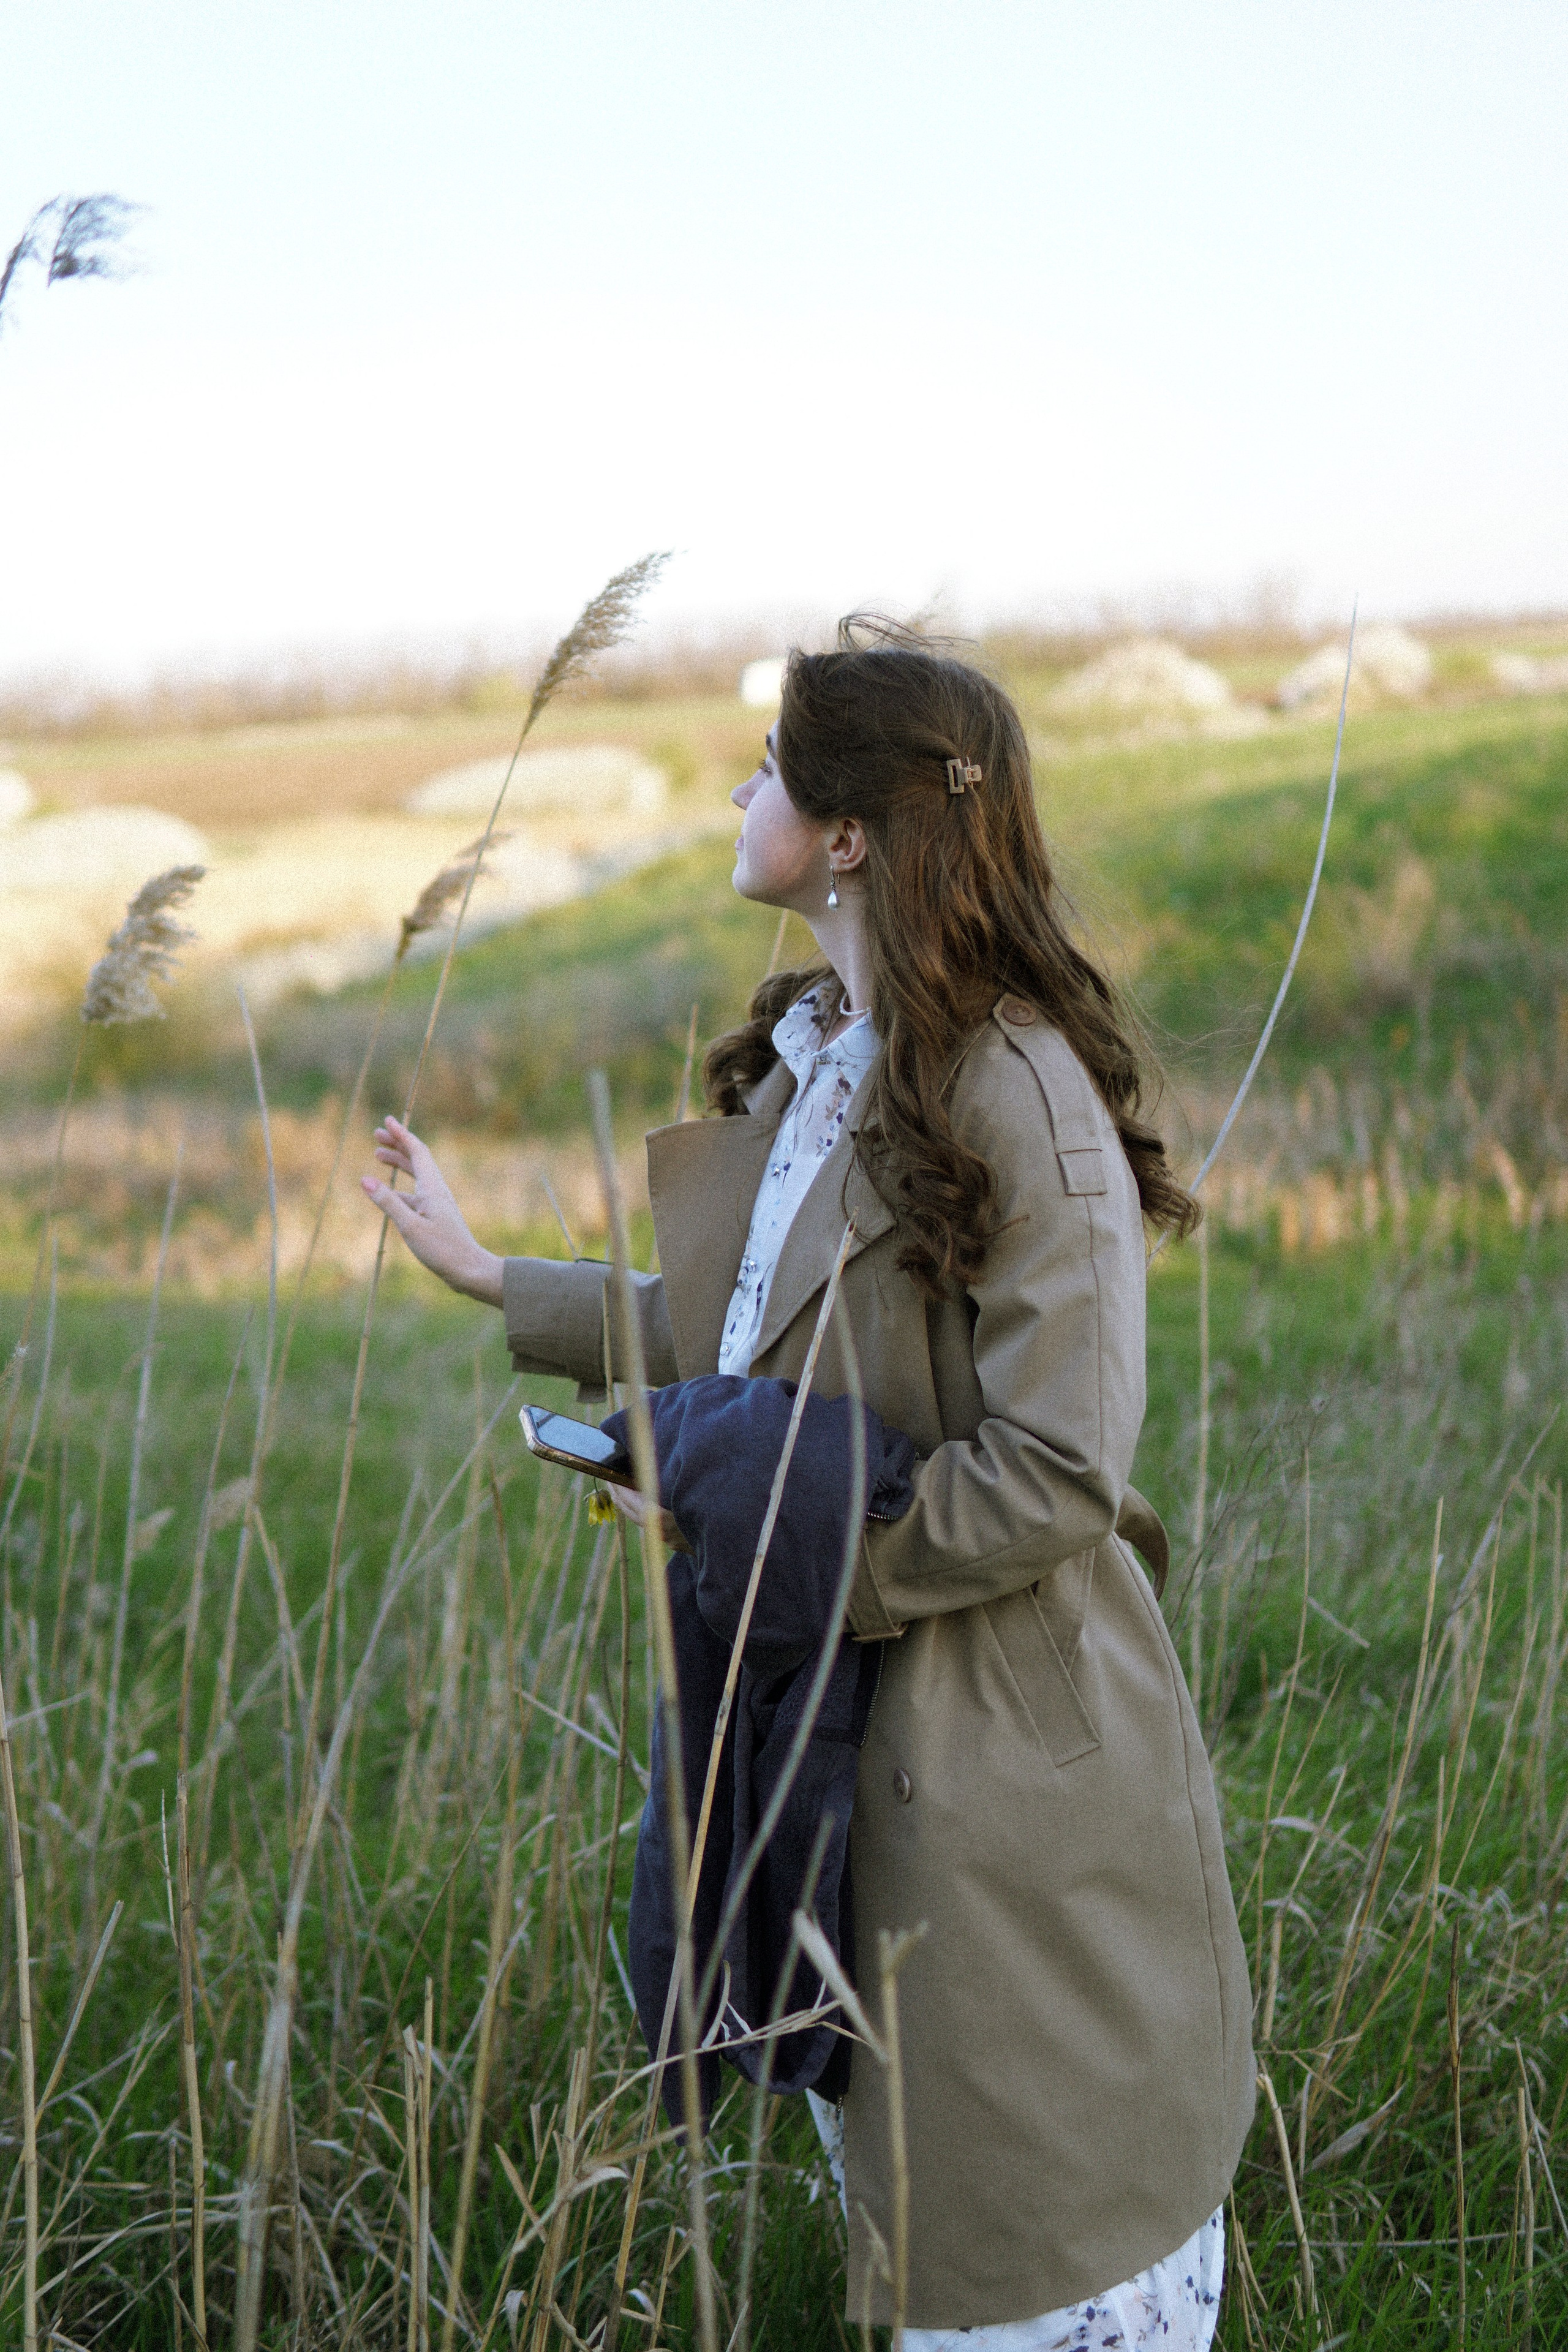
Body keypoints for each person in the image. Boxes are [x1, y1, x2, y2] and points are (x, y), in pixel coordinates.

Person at [361, 619, 1254, 2348]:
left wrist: (798, 1541)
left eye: (770, 763)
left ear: (848, 832)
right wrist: (492, 1277)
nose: (740, 784)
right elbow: (745, 1347)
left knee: (1028, 2225)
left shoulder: (1021, 1094)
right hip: (836, 1730)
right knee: (907, 2181)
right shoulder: (827, 1063)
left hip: (996, 1754)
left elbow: (1062, 1466)